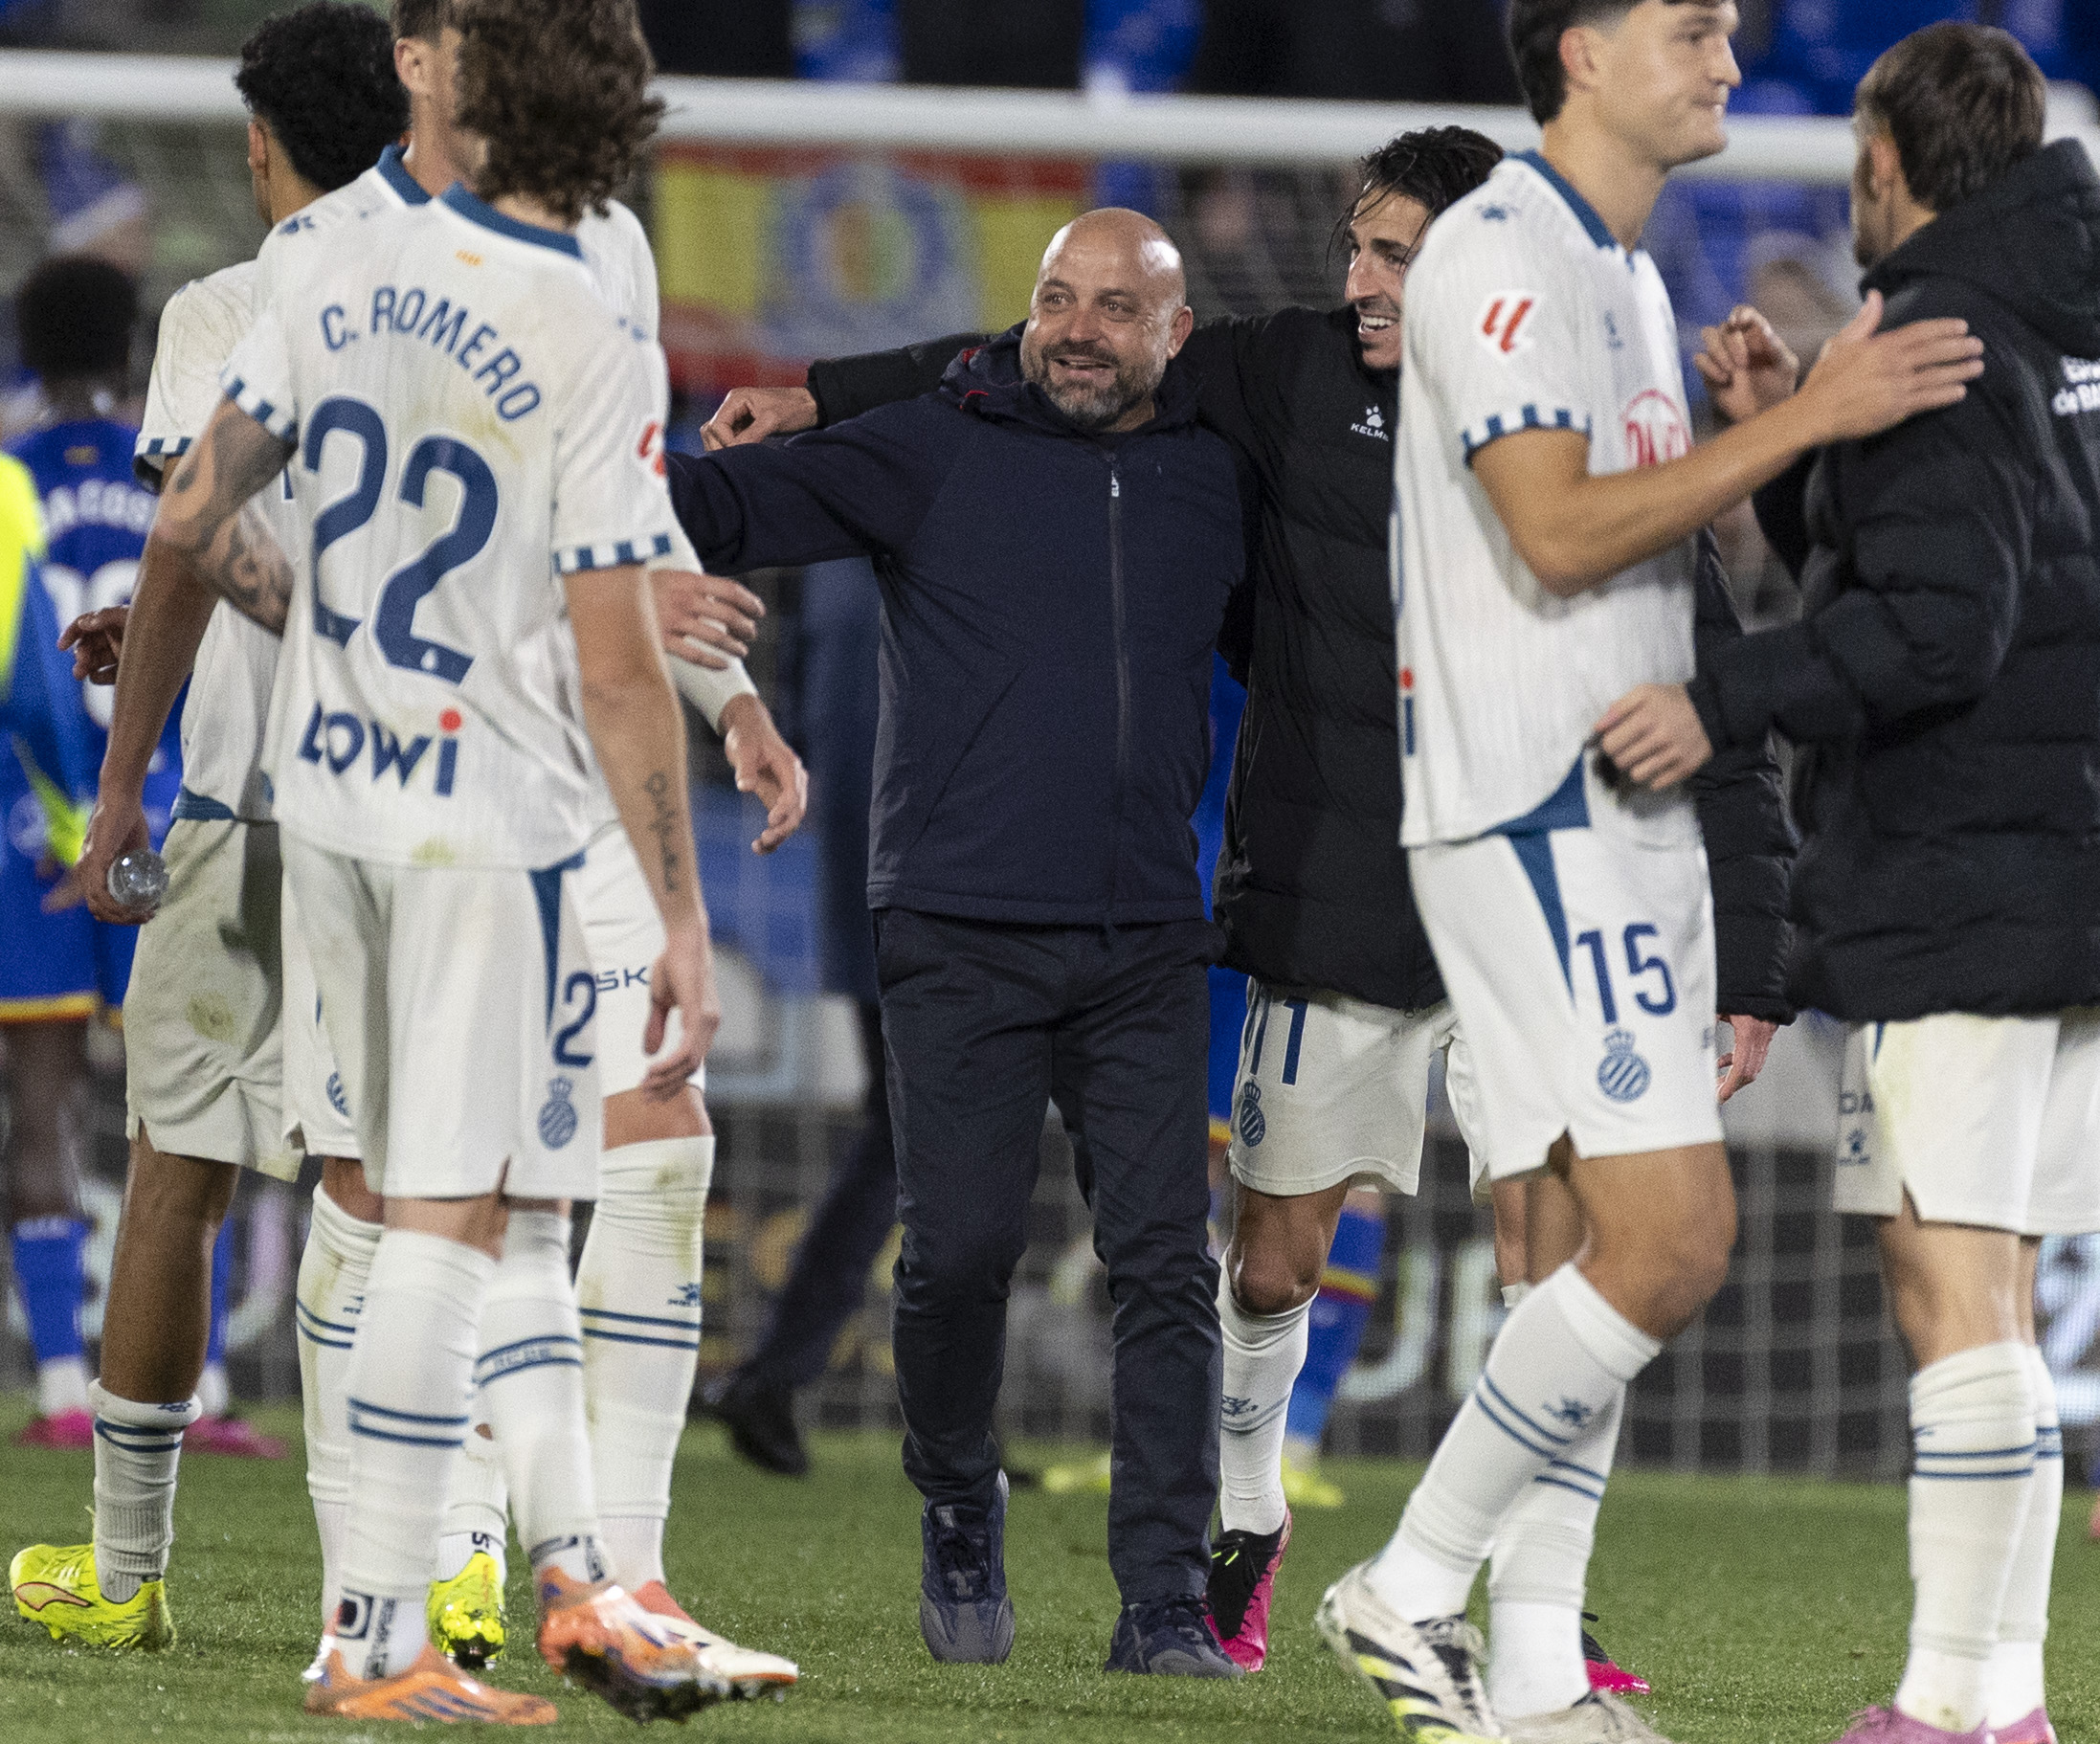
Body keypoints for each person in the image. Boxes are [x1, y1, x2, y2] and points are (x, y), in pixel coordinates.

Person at [704, 124, 1798, 1688]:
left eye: (1395, 258)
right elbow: (1057, 348)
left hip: (1548, 915)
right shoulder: (1280, 374)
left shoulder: (1601, 429)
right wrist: (827, 389)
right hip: (1333, 892)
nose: (1357, 281)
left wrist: (1748, 957)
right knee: (1265, 1265)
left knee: (1558, 1269)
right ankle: (1243, 1521)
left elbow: (1717, 698)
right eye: (1357, 246)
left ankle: (1542, 1608)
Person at [1312, 0, 1991, 1738]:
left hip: (1620, 805)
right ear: (1583, 52)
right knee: (1677, 1240)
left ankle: (1536, 1674)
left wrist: (1759, 437)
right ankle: (1401, 1589)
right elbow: (1548, 534)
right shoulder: (1503, 253)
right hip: (1537, 804)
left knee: (1594, 1249)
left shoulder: (1617, 269)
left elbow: (1650, 545)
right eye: (1692, 29)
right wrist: (1811, 411)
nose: (1728, 62)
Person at [135, 0, 736, 1720]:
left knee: (486, 1207)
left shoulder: (327, 266)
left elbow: (194, 516)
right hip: (486, 823)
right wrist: (679, 911)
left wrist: (332, 637)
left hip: (330, 801)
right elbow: (617, 656)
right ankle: (375, 1639)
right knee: (455, 1222)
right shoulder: (577, 314)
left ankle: (571, 1582)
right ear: (604, 126)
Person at [671, 208, 1246, 1679]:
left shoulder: (1214, 470)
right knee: (958, 1253)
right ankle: (955, 1503)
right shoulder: (934, 441)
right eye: (1057, 297)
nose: (1076, 326)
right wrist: (623, 524)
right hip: (955, 925)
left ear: (1172, 336)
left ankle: (1164, 1598)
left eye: (1116, 307)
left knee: (1169, 1263)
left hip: (1141, 935)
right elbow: (713, 508)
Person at [1673, 26, 2100, 1744]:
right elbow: (1981, 558)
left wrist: (1714, 696)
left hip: (1962, 874)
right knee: (1987, 1284)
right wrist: (1790, 449)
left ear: (1885, 162)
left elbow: (1933, 626)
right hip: (2064, 865)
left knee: (1948, 1281)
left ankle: (1947, 1703)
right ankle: (2002, 1705)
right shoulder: (2068, 317)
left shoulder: (1935, 333)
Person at [8, 1, 410, 1658]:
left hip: (248, 815)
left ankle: (123, 1575)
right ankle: (406, 1587)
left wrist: (122, 792)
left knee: (179, 1178)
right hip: (423, 819)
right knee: (396, 1201)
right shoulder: (480, 294)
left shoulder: (235, 303)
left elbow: (190, 538)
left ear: (261, 144)